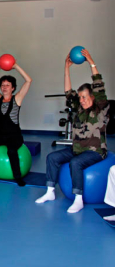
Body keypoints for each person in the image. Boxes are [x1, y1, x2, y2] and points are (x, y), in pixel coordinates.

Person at [36, 49, 109, 213]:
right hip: (77, 149)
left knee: (75, 163)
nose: (81, 100)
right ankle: (50, 192)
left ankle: (78, 199)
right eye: (80, 97)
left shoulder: (100, 109)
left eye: (84, 97)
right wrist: (66, 68)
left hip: (95, 151)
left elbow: (98, 84)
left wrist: (91, 62)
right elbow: (68, 93)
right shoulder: (80, 108)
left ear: (93, 97)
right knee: (52, 157)